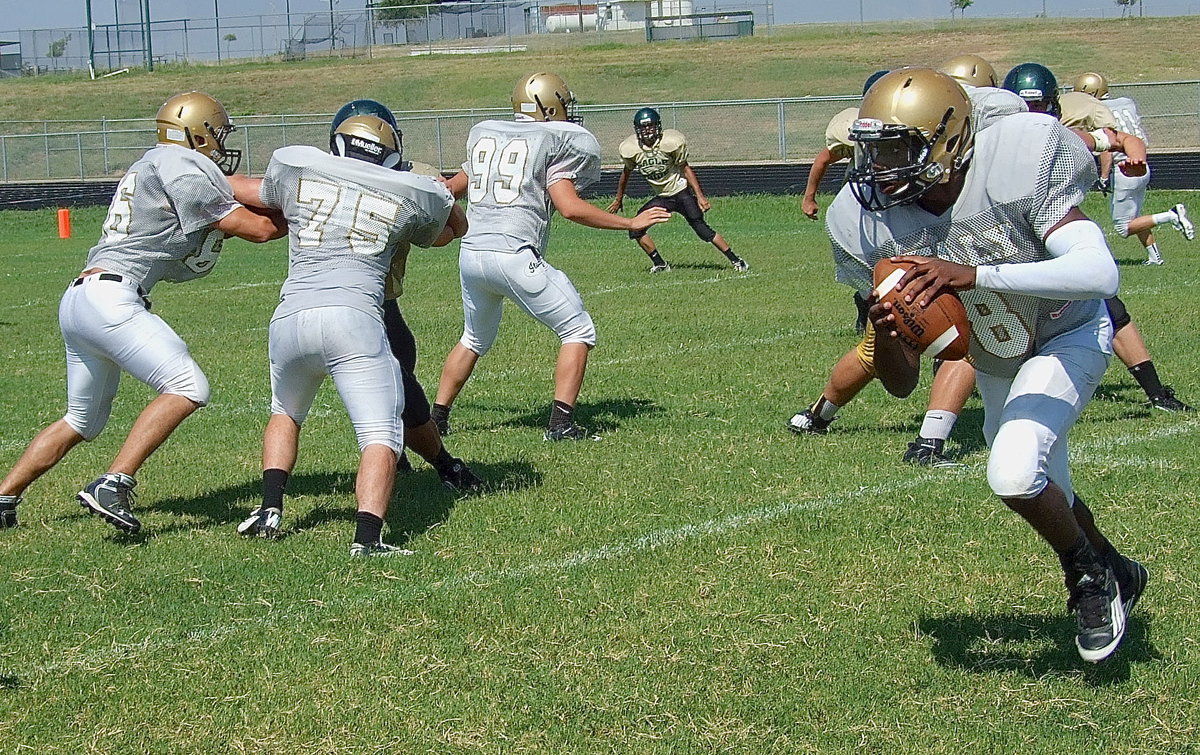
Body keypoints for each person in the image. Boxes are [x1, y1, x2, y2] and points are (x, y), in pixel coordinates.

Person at [834, 68, 1146, 662]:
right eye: (873, 152)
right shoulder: (873, 222)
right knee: (1045, 481)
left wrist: (975, 273)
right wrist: (884, 330)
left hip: (1067, 329)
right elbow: (900, 386)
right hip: (998, 351)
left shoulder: (1015, 165)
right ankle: (1118, 572)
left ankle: (1088, 576)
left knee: (1011, 471)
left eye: (899, 150)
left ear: (949, 143)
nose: (880, 169)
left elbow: (1101, 274)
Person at [0, 92, 286, 534]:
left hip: (81, 297)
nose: (221, 143)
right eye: (218, 133)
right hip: (112, 298)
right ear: (197, 131)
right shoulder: (181, 164)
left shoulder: (151, 163)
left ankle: (4, 497)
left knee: (81, 419)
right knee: (188, 386)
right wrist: (313, 209)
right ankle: (113, 482)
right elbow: (261, 230)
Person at [234, 111, 465, 556]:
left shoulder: (297, 164)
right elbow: (454, 230)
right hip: (354, 317)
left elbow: (244, 191)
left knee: (285, 411)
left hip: (290, 317)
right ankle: (367, 537)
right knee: (378, 433)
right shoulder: (410, 190)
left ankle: (269, 508)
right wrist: (440, 195)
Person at [430, 72, 669, 441]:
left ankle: (436, 419)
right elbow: (570, 207)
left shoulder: (488, 138)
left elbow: (450, 189)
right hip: (513, 254)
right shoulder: (552, 143)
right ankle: (561, 425)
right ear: (549, 105)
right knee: (578, 330)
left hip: (472, 256)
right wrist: (629, 222)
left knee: (473, 339)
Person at [1005, 63, 1194, 412]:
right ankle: (936, 432)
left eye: (1037, 108)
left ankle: (1156, 393)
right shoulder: (985, 144)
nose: (1031, 117)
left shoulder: (1061, 137)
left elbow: (1120, 138)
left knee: (1109, 306)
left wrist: (1135, 152)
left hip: (1050, 237)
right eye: (1023, 108)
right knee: (978, 324)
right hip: (1005, 245)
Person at [327, 99, 483, 493]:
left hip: (380, 299)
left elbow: (448, 219)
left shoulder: (408, 176)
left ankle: (397, 455)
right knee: (399, 385)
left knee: (403, 364)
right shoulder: (321, 175)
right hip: (348, 299)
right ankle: (444, 466)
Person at [1072, 72, 1193, 265]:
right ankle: (1155, 258)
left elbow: (1107, 148)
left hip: (1124, 169)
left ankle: (1171, 215)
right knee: (1135, 216)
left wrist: (1103, 176)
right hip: (1141, 164)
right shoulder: (1126, 102)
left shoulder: (1096, 110)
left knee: (1123, 227)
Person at [607, 107, 747, 273]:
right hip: (662, 197)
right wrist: (618, 198)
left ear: (657, 127)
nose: (647, 131)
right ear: (637, 129)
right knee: (636, 228)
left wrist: (700, 197)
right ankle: (660, 263)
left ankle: (736, 260)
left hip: (681, 193)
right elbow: (625, 174)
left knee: (703, 230)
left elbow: (686, 169)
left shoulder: (670, 143)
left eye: (650, 126)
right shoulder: (632, 150)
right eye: (643, 127)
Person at [802, 70, 888, 334]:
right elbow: (823, 159)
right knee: (868, 256)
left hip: (901, 193)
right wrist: (809, 197)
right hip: (864, 197)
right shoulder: (854, 126)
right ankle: (865, 302)